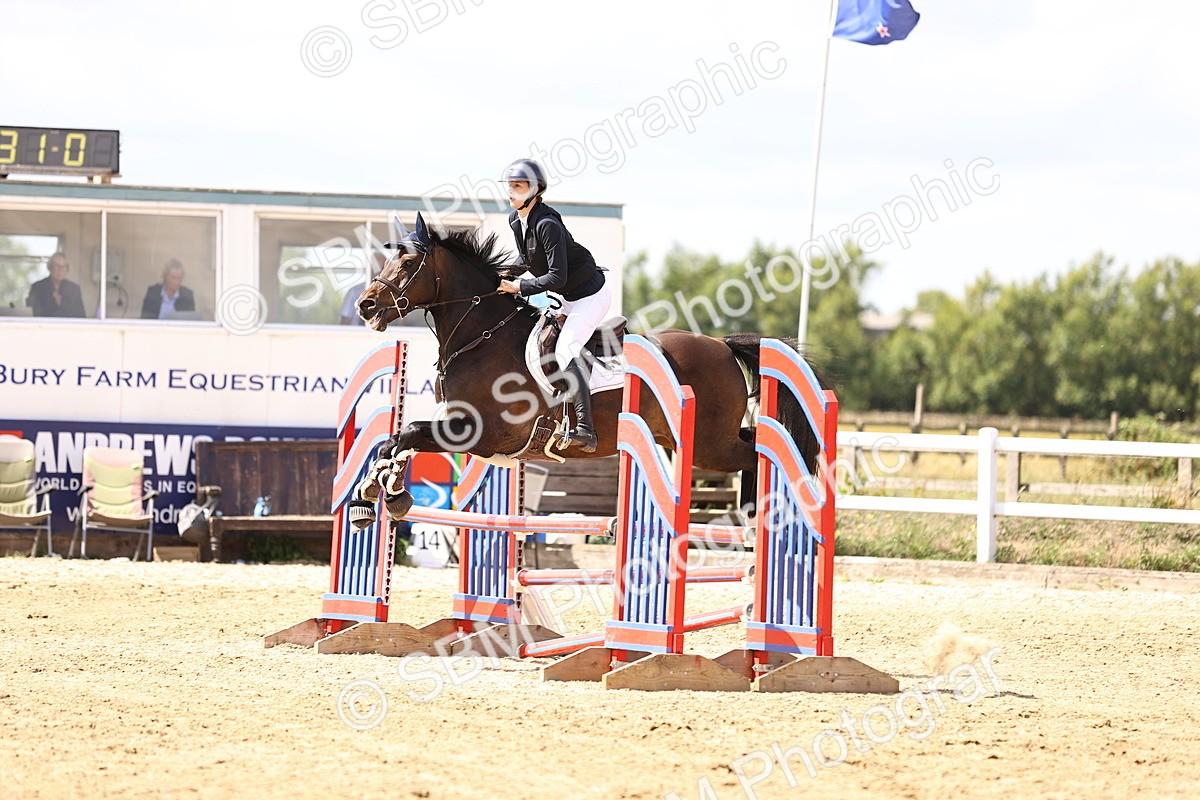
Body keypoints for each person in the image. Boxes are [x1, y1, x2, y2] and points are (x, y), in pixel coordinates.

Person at [496, 158, 611, 453]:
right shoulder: (516, 220)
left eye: (518, 186)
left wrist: (519, 286)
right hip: (568, 297)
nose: (511, 192)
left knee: (566, 349)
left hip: (589, 294)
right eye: (510, 186)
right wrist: (501, 275)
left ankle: (586, 429)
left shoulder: (547, 223)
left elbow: (557, 276)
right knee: (540, 342)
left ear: (536, 190)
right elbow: (528, 260)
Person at [26, 253, 86, 318]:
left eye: (64, 266)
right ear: (50, 268)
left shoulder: (74, 289)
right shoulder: (38, 287)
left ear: (67, 270)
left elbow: (81, 316)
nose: (60, 270)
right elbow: (34, 314)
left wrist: (61, 303)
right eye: (57, 266)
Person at [340, 252, 388, 325]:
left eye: (382, 269)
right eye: (375, 268)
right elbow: (345, 323)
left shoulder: (395, 294)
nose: (378, 273)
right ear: (368, 270)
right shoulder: (354, 292)